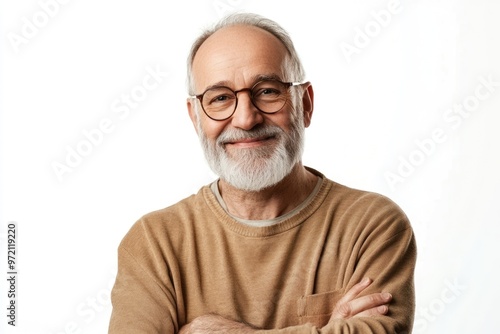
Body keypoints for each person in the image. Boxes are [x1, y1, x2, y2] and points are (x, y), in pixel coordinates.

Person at [108, 12, 416, 334]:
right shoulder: (153, 243)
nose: (245, 119)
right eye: (221, 98)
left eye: (267, 91)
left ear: (305, 103)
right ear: (195, 117)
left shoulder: (372, 225)